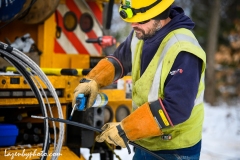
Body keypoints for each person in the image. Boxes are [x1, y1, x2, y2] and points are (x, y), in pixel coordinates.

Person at [72, 0, 206, 159]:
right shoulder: (141, 34)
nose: (133, 25)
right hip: (144, 141)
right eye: (131, 19)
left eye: (142, 19)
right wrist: (93, 81)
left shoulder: (183, 49)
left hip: (174, 149)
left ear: (160, 16)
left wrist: (125, 129)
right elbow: (119, 60)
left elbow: (176, 108)